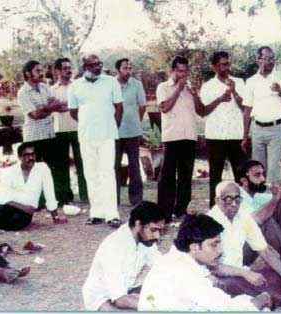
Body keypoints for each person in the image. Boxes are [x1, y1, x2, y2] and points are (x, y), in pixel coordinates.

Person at [206, 181, 281, 311]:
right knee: (224, 285)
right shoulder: (209, 221)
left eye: (237, 199)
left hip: (239, 273)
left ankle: (262, 300)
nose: (233, 204)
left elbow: (264, 250)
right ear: (217, 200)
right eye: (228, 199)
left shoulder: (243, 217)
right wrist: (245, 273)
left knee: (275, 276)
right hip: (218, 278)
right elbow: (213, 268)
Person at [138, 214, 274, 311]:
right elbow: (226, 307)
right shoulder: (182, 270)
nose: (220, 251)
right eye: (214, 245)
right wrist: (259, 301)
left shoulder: (180, 259)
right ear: (194, 247)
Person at [69, 54, 123, 227]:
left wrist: (111, 126)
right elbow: (73, 111)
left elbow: (119, 107)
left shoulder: (111, 82)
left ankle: (112, 214)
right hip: (86, 137)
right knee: (91, 174)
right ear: (85, 67)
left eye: (99, 64)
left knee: (107, 173)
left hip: (107, 135)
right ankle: (96, 213)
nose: (98, 67)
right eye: (93, 65)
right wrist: (88, 123)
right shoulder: (75, 86)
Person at [82, 201, 165, 311]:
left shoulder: (146, 240)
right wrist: (156, 307)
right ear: (138, 224)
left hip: (127, 289)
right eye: (154, 230)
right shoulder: (114, 246)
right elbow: (119, 299)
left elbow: (162, 266)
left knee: (167, 290)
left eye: (160, 231)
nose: (157, 237)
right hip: (102, 298)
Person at [243, 46, 281, 183]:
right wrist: (245, 136)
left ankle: (274, 202)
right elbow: (247, 110)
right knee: (256, 169)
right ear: (258, 60)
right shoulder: (251, 81)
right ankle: (259, 201)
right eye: (266, 58)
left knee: (273, 170)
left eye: (272, 58)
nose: (270, 62)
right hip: (257, 130)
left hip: (276, 129)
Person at [156, 55, 204, 223]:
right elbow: (165, 108)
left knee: (186, 176)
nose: (183, 75)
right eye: (180, 71)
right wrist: (178, 88)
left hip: (189, 136)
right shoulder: (163, 87)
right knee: (167, 176)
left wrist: (195, 94)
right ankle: (164, 212)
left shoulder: (190, 88)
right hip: (172, 137)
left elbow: (201, 111)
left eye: (186, 71)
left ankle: (182, 209)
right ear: (173, 71)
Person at [200, 51, 247, 207]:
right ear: (214, 67)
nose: (224, 67)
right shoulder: (207, 86)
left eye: (226, 63)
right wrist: (220, 99)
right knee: (215, 175)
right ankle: (215, 210)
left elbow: (245, 107)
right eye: (220, 64)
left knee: (240, 174)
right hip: (215, 136)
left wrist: (234, 91)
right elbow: (203, 111)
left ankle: (242, 208)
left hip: (236, 135)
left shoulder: (239, 82)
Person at [0, 143, 67, 231]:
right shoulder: (11, 171)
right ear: (20, 157)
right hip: (10, 206)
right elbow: (1, 197)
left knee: (16, 222)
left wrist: (56, 218)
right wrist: (23, 207)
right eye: (27, 155)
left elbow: (49, 194)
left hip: (25, 213)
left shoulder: (43, 169)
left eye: (33, 154)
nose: (31, 158)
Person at [49, 57, 88, 205]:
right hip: (60, 130)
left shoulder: (78, 86)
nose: (68, 70)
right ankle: (65, 197)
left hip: (78, 129)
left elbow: (80, 106)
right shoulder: (51, 89)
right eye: (65, 68)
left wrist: (62, 105)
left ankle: (85, 195)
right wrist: (70, 105)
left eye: (69, 67)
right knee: (62, 165)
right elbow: (53, 107)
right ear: (58, 70)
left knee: (82, 163)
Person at [17, 60, 66, 178]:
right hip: (34, 138)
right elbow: (35, 115)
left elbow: (56, 103)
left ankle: (55, 196)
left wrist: (44, 108)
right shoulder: (23, 92)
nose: (41, 73)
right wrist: (51, 108)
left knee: (53, 170)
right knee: (35, 173)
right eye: (38, 71)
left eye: (41, 70)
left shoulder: (44, 87)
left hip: (49, 135)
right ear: (28, 74)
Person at [114, 58, 147, 207]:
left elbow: (142, 107)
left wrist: (135, 123)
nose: (128, 71)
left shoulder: (137, 85)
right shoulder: (111, 85)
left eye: (129, 68)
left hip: (133, 132)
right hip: (114, 133)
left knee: (134, 166)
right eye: (125, 68)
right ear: (117, 70)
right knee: (114, 166)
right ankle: (114, 199)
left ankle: (136, 200)